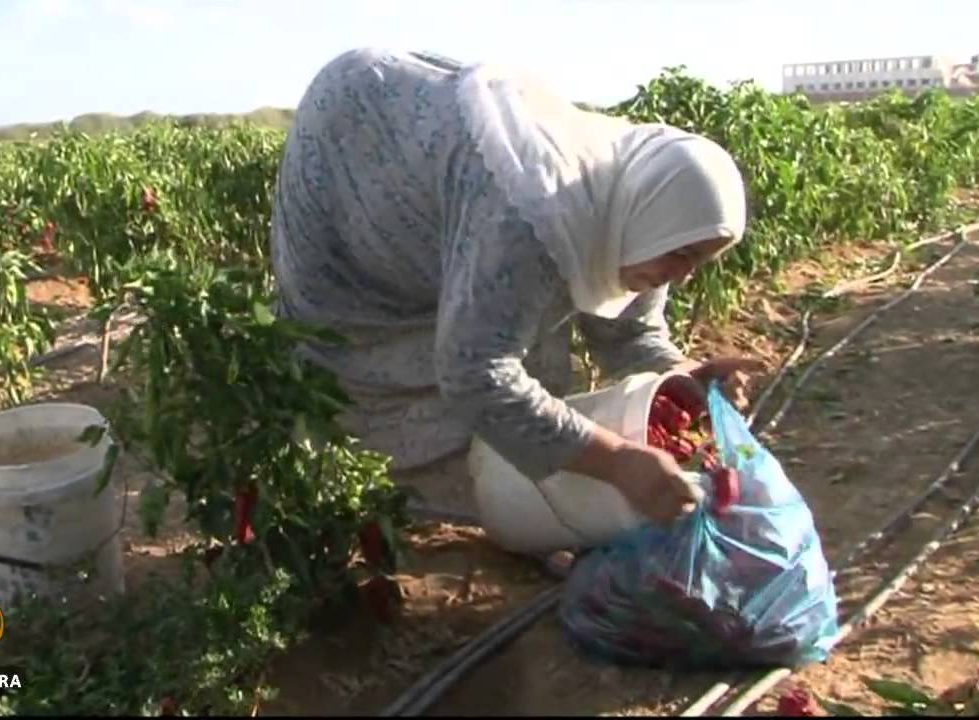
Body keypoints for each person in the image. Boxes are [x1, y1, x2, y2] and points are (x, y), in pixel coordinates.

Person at [268, 48, 765, 527]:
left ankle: (512, 500)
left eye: (699, 260)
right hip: (353, 137)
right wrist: (617, 463)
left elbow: (630, 337)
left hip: (448, 175)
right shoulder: (533, 215)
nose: (683, 274)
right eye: (680, 256)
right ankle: (364, 501)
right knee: (358, 372)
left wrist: (682, 374)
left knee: (522, 356)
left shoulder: (639, 216)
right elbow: (474, 374)